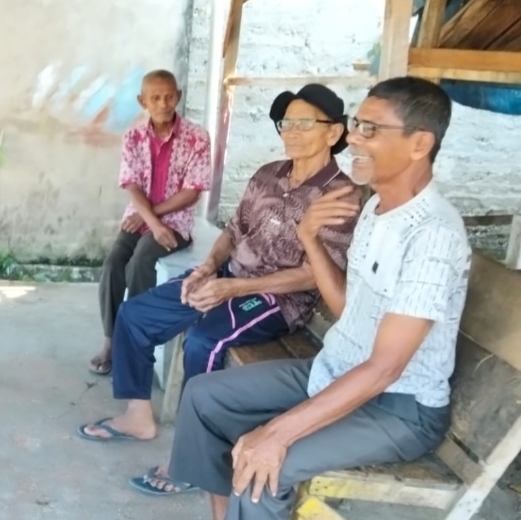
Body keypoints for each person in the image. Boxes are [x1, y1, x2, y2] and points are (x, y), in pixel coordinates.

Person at [167, 76, 472, 520]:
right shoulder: (375, 208)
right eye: (357, 126)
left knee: (265, 467)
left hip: (398, 406)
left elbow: (385, 368)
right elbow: (348, 310)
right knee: (202, 397)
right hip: (336, 369)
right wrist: (309, 236)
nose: (354, 139)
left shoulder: (433, 234)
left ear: (419, 143)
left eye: (370, 129)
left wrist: (278, 433)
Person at [77, 84, 362, 462]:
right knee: (136, 313)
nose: (291, 131)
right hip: (229, 275)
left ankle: (194, 454)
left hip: (276, 299)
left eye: (304, 123)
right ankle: (137, 416)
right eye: (287, 123)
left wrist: (235, 288)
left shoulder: (340, 195)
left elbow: (313, 275)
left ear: (333, 132)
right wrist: (208, 267)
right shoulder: (268, 175)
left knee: (204, 341)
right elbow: (232, 231)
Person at [89, 70, 212, 375]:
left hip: (175, 221)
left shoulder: (197, 137)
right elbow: (131, 185)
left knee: (141, 260)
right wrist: (151, 220)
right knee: (113, 264)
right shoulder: (133, 137)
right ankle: (111, 340)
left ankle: (135, 342)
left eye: (169, 96)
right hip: (140, 217)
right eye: (155, 98)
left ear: (178, 96)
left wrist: (153, 220)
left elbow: (192, 191)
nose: (163, 104)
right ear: (142, 101)